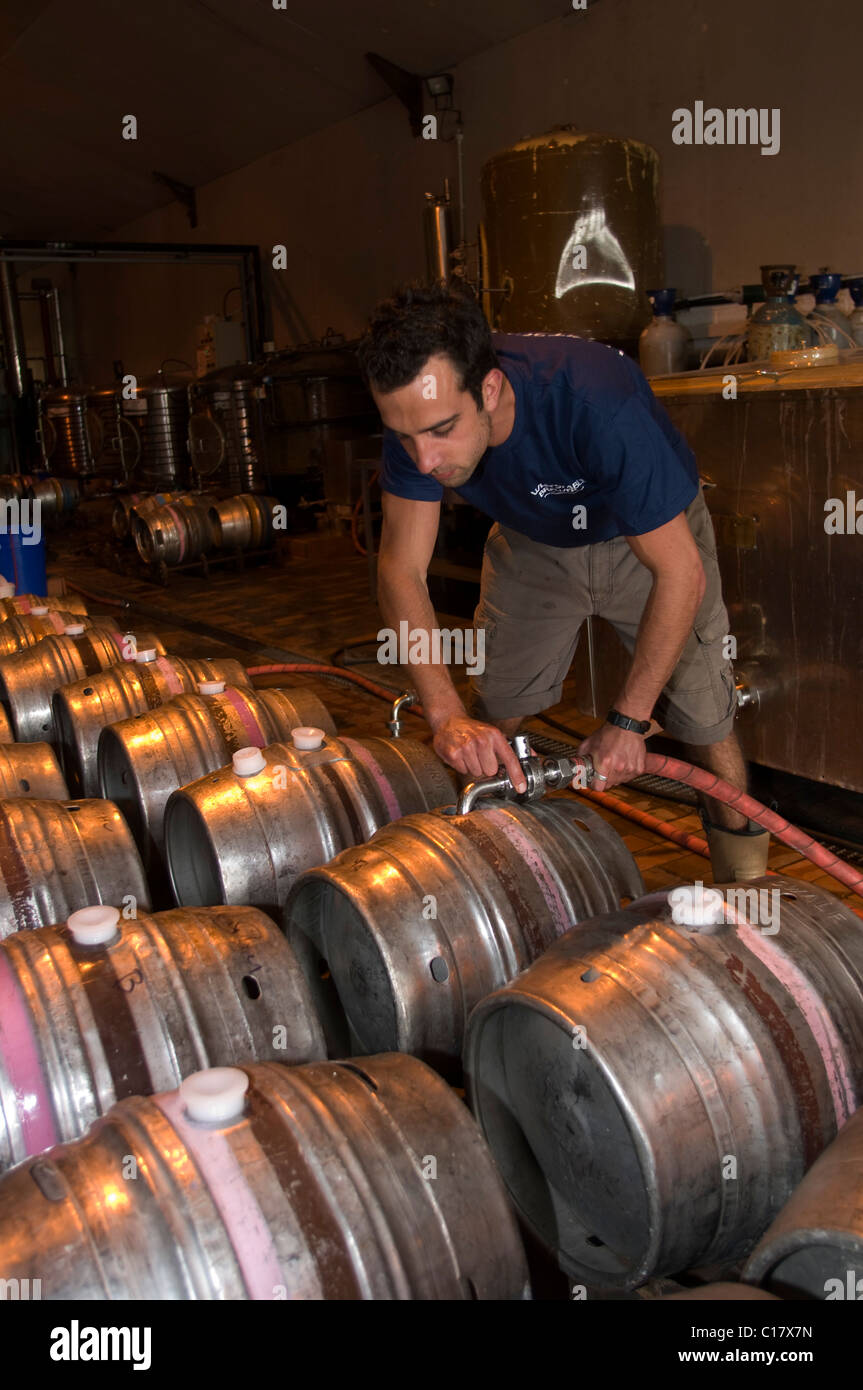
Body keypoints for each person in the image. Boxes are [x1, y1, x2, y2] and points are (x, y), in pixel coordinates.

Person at [356, 282, 769, 882]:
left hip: (647, 538)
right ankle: (491, 889)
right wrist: (444, 716)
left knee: (706, 721)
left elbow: (680, 573)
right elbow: (400, 568)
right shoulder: (417, 421)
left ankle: (747, 888)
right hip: (533, 537)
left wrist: (629, 724)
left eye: (442, 430)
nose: (423, 460)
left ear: (489, 390)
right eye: (404, 436)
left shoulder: (595, 397)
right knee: (491, 714)